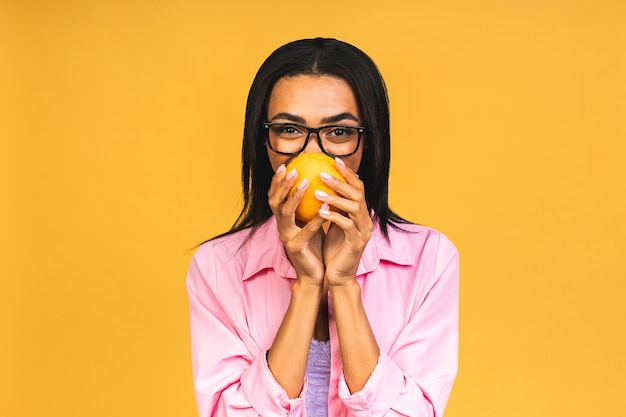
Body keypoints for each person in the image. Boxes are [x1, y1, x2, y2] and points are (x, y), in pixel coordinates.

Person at [186, 37, 459, 417]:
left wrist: (344, 285)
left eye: (340, 133)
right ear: (263, 141)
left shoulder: (430, 260)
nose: (312, 154)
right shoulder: (217, 267)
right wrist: (308, 286)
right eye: (289, 130)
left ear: (369, 143)